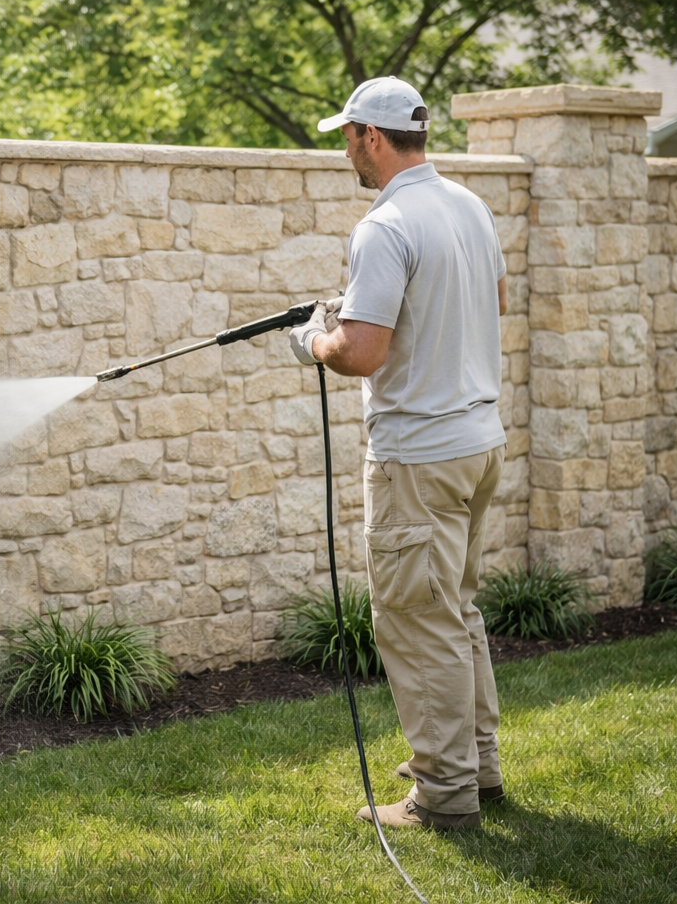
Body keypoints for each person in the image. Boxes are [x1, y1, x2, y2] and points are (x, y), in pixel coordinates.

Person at [287, 76, 509, 831]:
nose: (345, 147)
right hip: (480, 444)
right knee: (457, 610)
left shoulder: (384, 226)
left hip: (419, 457)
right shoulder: (469, 207)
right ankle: (477, 769)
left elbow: (362, 354)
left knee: (418, 620)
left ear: (372, 138)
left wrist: (314, 341)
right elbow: (488, 304)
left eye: (348, 134)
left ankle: (444, 795)